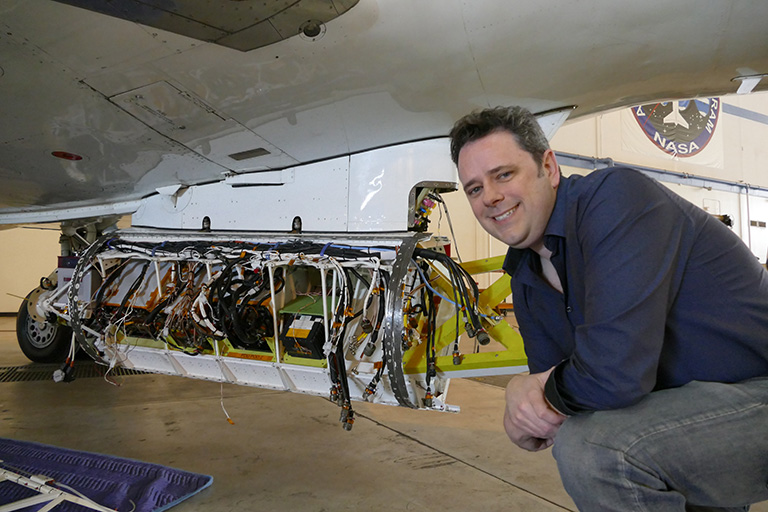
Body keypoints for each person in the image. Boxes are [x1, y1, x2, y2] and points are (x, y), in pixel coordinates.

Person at [449, 106, 768, 511]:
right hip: (693, 411)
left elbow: (612, 374)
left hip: (755, 391)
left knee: (598, 451)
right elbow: (562, 405)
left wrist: (528, 392)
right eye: (474, 189)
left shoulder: (616, 198)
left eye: (504, 174)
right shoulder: (526, 275)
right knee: (589, 434)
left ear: (548, 166)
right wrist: (529, 402)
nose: (490, 197)